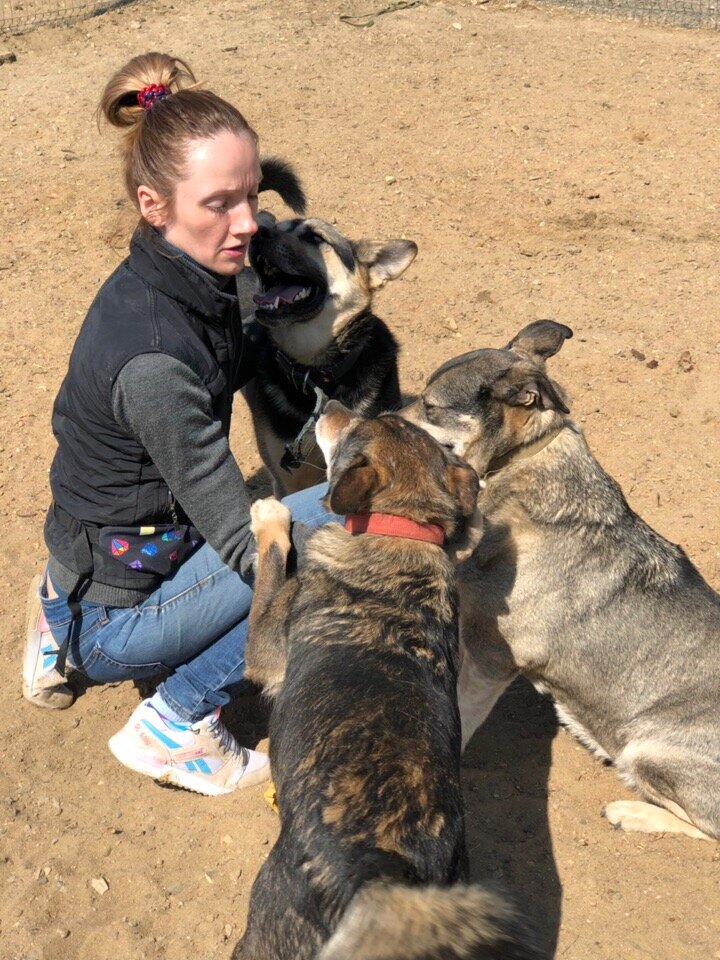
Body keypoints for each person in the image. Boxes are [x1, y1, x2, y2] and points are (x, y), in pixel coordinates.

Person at [21, 52, 335, 797]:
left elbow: (250, 345)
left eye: (252, 197)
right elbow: (241, 540)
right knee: (337, 529)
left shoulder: (187, 277)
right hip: (115, 616)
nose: (247, 224)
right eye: (219, 204)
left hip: (99, 556)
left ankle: (54, 621)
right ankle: (175, 723)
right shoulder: (155, 358)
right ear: (153, 205)